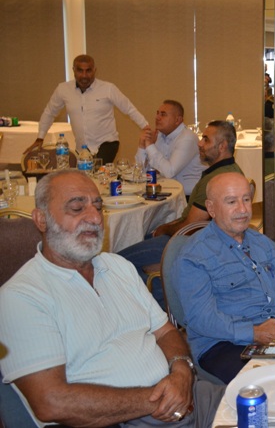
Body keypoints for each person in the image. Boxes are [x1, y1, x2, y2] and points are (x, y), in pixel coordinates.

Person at [0, 170, 223, 427]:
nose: (95, 218)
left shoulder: (117, 266)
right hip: (126, 418)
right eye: (77, 208)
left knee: (260, 405)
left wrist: (182, 371)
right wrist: (158, 400)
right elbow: (51, 402)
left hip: (186, 395)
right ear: (41, 220)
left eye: (98, 207)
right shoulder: (22, 297)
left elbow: (164, 332)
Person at [174, 173, 275, 384]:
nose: (242, 209)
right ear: (211, 208)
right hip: (224, 344)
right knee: (271, 385)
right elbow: (202, 319)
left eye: (246, 199)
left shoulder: (264, 244)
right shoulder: (194, 256)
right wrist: (254, 333)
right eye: (231, 202)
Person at [118, 120, 243, 309]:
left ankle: (167, 307)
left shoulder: (217, 181)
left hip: (191, 244)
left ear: (222, 146)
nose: (199, 143)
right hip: (206, 241)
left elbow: (190, 228)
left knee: (119, 262)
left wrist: (165, 229)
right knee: (143, 238)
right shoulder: (230, 170)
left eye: (206, 140)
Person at [25, 54, 148, 164]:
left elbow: (129, 109)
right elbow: (49, 112)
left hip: (107, 144)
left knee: (96, 173)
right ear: (73, 70)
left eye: (88, 71)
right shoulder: (63, 90)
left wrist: (146, 128)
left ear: (94, 70)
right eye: (80, 70)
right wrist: (40, 137)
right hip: (81, 149)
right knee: (85, 177)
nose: (84, 75)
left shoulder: (108, 89)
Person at [135, 100, 206, 194]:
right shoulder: (159, 135)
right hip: (164, 192)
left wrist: (150, 145)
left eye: (163, 114)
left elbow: (169, 172)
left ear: (177, 120)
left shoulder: (187, 138)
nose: (157, 117)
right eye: (157, 113)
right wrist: (142, 146)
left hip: (188, 196)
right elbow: (141, 173)